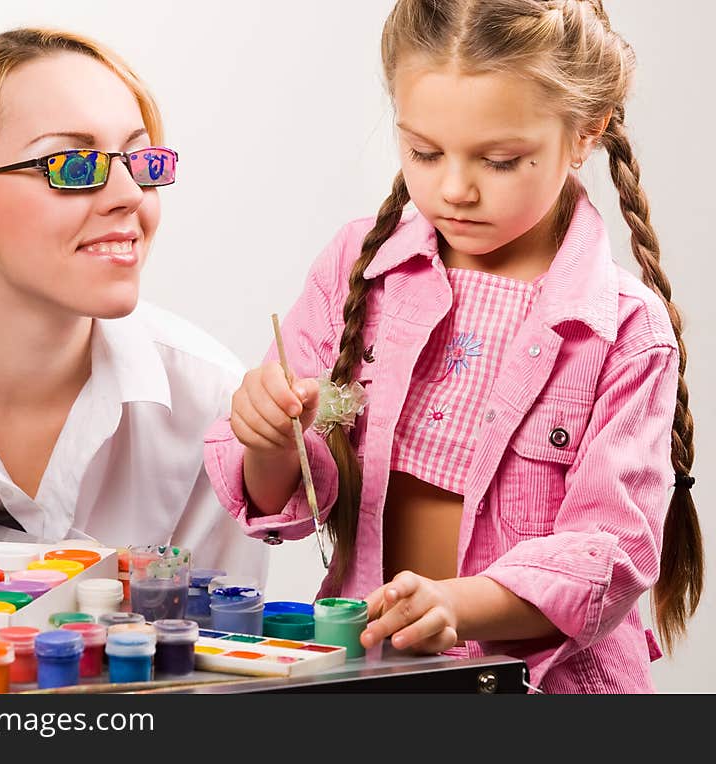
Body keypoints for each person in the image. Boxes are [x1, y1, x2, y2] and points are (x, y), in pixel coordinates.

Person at [203, 0, 701, 692]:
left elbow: (608, 554)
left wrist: (457, 606)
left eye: (500, 161)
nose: (455, 189)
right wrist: (270, 442)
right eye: (424, 153)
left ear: (586, 130)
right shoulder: (360, 268)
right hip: (372, 675)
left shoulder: (623, 331)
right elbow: (286, 503)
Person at [0, 28, 268, 584]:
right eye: (72, 165)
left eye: (143, 163)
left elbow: (217, 647)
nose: (129, 195)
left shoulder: (210, 403)